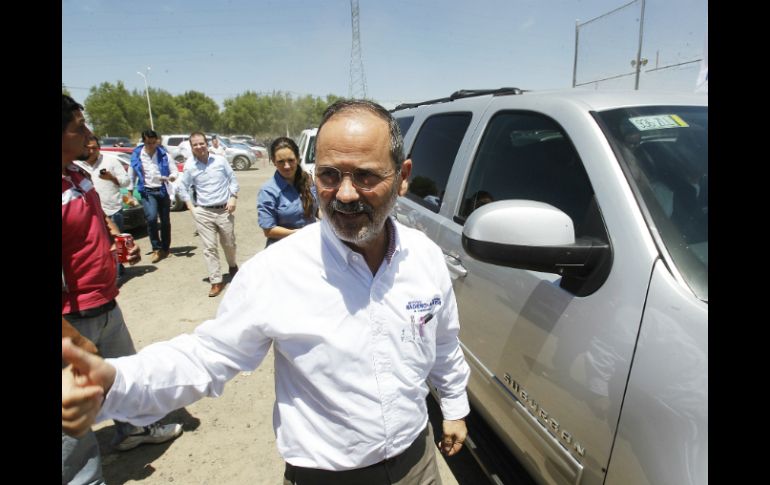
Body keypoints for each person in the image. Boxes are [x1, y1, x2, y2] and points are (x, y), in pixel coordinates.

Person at [63, 99, 471, 484]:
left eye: (365, 176)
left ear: (401, 178)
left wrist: (453, 408)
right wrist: (113, 382)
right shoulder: (277, 270)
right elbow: (208, 357)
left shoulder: (424, 258)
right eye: (330, 176)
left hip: (417, 465)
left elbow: (444, 341)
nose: (345, 194)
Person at [61, 95, 182, 485]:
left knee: (124, 375)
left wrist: (114, 238)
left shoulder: (76, 174)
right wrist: (69, 339)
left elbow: (92, 220)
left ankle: (134, 430)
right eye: (79, 126)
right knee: (74, 413)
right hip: (71, 319)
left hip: (104, 303)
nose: (89, 133)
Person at [178, 132, 240, 298]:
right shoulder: (190, 166)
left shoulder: (220, 160)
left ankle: (233, 266)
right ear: (191, 147)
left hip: (224, 210)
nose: (199, 147)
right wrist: (192, 207)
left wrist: (233, 198)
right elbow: (182, 187)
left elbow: (233, 180)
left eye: (201, 143)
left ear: (207, 144)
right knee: (209, 248)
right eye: (195, 145)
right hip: (204, 212)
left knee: (229, 244)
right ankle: (216, 280)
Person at [75, 135, 132, 277]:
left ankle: (117, 273)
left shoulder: (110, 161)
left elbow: (125, 182)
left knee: (118, 243)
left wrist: (111, 178)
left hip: (112, 208)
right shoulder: (77, 166)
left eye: (94, 148)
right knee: (101, 246)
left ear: (99, 149)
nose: (91, 151)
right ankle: (115, 270)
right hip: (92, 213)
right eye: (88, 148)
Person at [128, 129, 178, 263]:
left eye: (153, 142)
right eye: (148, 143)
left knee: (165, 220)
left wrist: (171, 177)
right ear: (143, 142)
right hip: (147, 191)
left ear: (157, 141)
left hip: (162, 189)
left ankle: (165, 248)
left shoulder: (164, 154)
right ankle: (156, 248)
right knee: (151, 218)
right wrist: (130, 192)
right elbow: (132, 173)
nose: (151, 145)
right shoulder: (137, 155)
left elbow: (174, 171)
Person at [257, 136, 318, 246]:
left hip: (310, 245)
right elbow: (268, 230)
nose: (287, 166)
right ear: (274, 162)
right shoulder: (268, 191)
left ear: (298, 158)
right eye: (281, 162)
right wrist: (299, 233)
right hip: (283, 249)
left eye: (291, 160)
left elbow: (317, 209)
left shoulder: (307, 180)